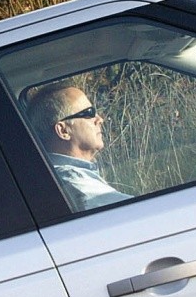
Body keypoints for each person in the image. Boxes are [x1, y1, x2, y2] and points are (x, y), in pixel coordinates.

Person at [23, 80, 130, 211]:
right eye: (89, 113)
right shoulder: (73, 181)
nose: (100, 119)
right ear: (63, 131)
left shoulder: (54, 176)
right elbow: (136, 213)